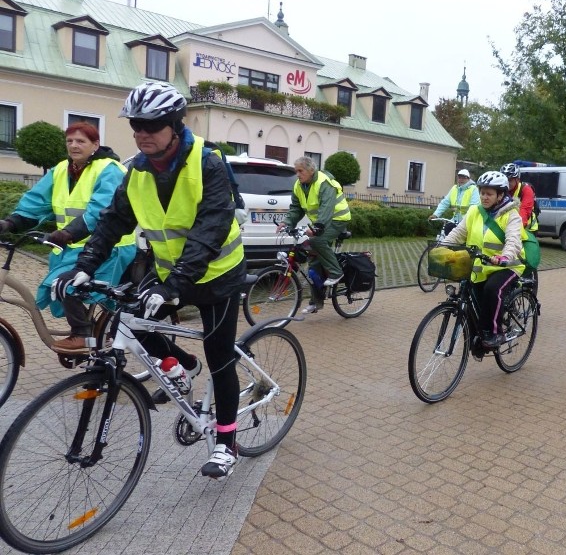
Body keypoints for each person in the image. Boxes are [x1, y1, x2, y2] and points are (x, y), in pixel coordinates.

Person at [52, 81, 246, 479]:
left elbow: (210, 229)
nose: (142, 133)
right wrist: (84, 265)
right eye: (136, 126)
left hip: (219, 274)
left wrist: (173, 285)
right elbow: (113, 222)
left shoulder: (207, 163)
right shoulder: (135, 170)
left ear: (175, 125)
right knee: (128, 319)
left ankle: (226, 442)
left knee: (221, 355)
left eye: (151, 125)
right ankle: (182, 364)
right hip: (170, 272)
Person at [0, 122, 136, 353]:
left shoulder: (109, 170)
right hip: (70, 248)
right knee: (58, 287)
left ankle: (82, 335)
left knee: (67, 284)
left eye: (81, 141)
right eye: (69, 141)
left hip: (108, 248)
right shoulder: (61, 169)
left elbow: (101, 210)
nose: (74, 145)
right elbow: (37, 200)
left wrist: (69, 232)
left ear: (95, 144)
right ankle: (86, 332)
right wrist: (11, 223)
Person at [443, 171, 525, 349]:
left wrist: (505, 256)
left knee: (492, 289)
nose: (484, 197)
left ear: (500, 195)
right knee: (473, 298)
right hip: (481, 266)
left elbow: (513, 241)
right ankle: (477, 340)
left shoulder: (511, 215)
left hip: (508, 265)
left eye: (489, 194)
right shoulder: (475, 211)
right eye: (482, 193)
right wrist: (442, 246)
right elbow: (459, 233)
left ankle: (495, 333)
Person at [277, 156, 351, 314]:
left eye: (300, 171)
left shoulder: (324, 182)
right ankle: (316, 303)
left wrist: (317, 227)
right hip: (321, 223)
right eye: (296, 171)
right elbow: (296, 208)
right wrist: (287, 223)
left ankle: (336, 272)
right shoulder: (298, 185)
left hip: (337, 219)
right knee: (313, 264)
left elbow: (327, 207)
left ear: (311, 170)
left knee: (316, 241)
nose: (297, 174)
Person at [430, 168, 480, 234]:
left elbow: (474, 207)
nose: (461, 180)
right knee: (446, 232)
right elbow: (444, 203)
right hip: (455, 220)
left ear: (468, 179)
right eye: (459, 177)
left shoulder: (473, 189)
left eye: (464, 178)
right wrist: (435, 215)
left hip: (468, 222)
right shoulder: (454, 189)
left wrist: (465, 221)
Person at [500, 163, 538, 233]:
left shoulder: (526, 189)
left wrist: (515, 230)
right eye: (504, 180)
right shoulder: (501, 190)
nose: (506, 183)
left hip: (527, 228)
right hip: (508, 227)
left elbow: (525, 211)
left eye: (510, 180)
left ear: (517, 179)